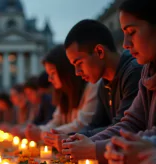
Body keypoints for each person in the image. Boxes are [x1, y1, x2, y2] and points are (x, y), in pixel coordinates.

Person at [62, 0, 156, 164]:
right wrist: (85, 142)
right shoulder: (148, 71)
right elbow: (131, 122)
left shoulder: (135, 70)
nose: (125, 44)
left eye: (132, 32)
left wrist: (93, 149)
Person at [44, 19, 142, 152]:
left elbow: (124, 126)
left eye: (79, 63)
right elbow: (96, 124)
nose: (77, 73)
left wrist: (74, 140)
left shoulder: (134, 72)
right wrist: (72, 138)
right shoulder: (103, 84)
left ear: (100, 52)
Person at [25, 45, 99, 142]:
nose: (50, 79)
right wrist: (39, 130)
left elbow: (82, 124)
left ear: (65, 71)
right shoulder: (64, 94)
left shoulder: (92, 86)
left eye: (53, 73)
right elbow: (56, 121)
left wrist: (42, 133)